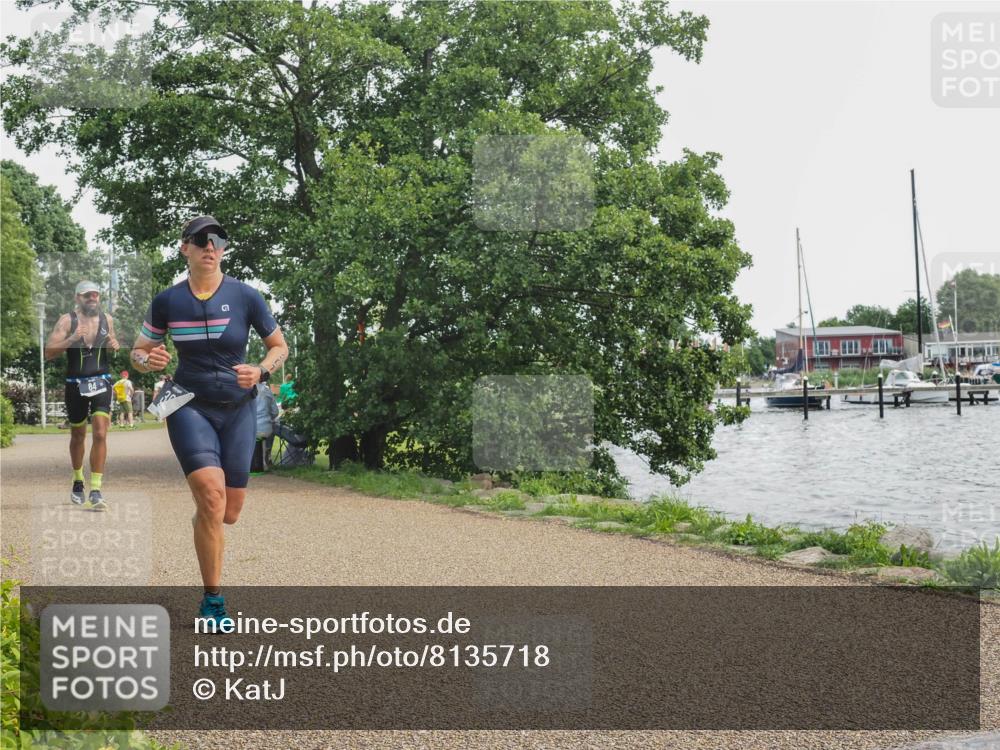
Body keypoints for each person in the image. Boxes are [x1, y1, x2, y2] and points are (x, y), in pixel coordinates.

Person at [129, 215, 287, 628]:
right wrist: (148, 360)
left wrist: (262, 370)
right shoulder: (167, 301)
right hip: (188, 404)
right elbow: (139, 352)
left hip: (239, 408)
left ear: (223, 248)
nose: (209, 246)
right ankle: (213, 600)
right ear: (185, 248)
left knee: (227, 512)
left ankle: (206, 518)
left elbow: (278, 346)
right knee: (212, 496)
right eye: (200, 239)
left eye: (217, 239)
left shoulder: (246, 296)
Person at [44, 280, 120, 511]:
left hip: (101, 381)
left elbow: (111, 343)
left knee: (100, 432)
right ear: (78, 298)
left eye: (95, 295)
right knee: (78, 435)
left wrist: (112, 344)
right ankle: (78, 480)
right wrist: (72, 339)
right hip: (75, 384)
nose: (93, 298)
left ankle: (96, 489)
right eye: (87, 295)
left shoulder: (108, 319)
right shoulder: (67, 320)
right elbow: (49, 353)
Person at [250, 382, 279, 473]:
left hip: (249, 427)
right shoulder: (267, 391)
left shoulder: (244, 389)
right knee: (267, 432)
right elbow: (275, 412)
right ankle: (267, 454)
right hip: (265, 428)